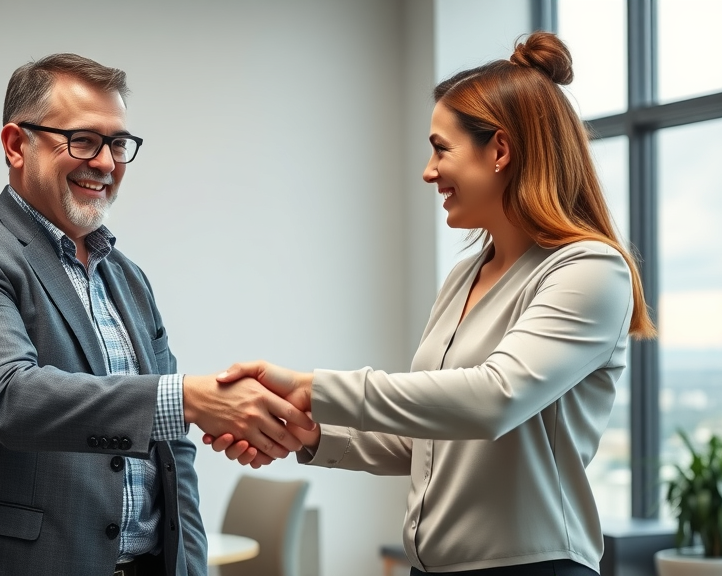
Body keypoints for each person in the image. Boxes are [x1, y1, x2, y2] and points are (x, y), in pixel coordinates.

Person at [205, 32, 655, 576]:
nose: (428, 170)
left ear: (500, 151)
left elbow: (493, 398)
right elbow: (433, 438)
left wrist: (312, 387)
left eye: (441, 148)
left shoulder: (587, 271)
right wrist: (315, 430)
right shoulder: (466, 274)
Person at [0, 53, 312, 576]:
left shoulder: (128, 278)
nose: (105, 162)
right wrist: (189, 397)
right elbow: (10, 397)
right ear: (16, 145)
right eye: (82, 140)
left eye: (117, 143)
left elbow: (174, 453)